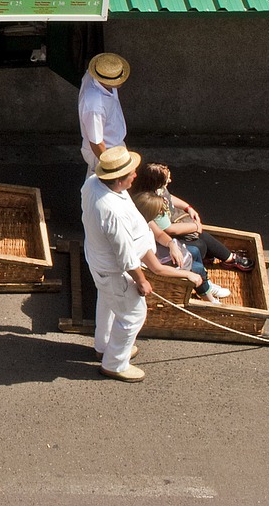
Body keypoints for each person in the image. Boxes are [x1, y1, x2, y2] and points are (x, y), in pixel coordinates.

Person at [81, 146, 204, 383]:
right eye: (130, 174)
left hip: (99, 261)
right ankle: (115, 363)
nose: (135, 176)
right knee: (133, 315)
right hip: (114, 270)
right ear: (118, 181)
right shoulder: (112, 212)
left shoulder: (93, 183)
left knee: (107, 303)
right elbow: (126, 256)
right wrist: (142, 280)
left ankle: (105, 346)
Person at [130, 161, 254, 302]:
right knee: (197, 266)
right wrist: (188, 274)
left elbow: (159, 234)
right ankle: (209, 299)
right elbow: (157, 269)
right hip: (158, 261)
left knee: (194, 252)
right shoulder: (141, 240)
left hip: (161, 251)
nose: (170, 180)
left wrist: (171, 245)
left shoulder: (147, 219)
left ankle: (205, 282)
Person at [78, 52, 129, 174]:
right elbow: (96, 142)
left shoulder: (93, 75)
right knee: (106, 186)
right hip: (106, 151)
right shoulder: (95, 106)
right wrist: (109, 167)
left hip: (114, 145)